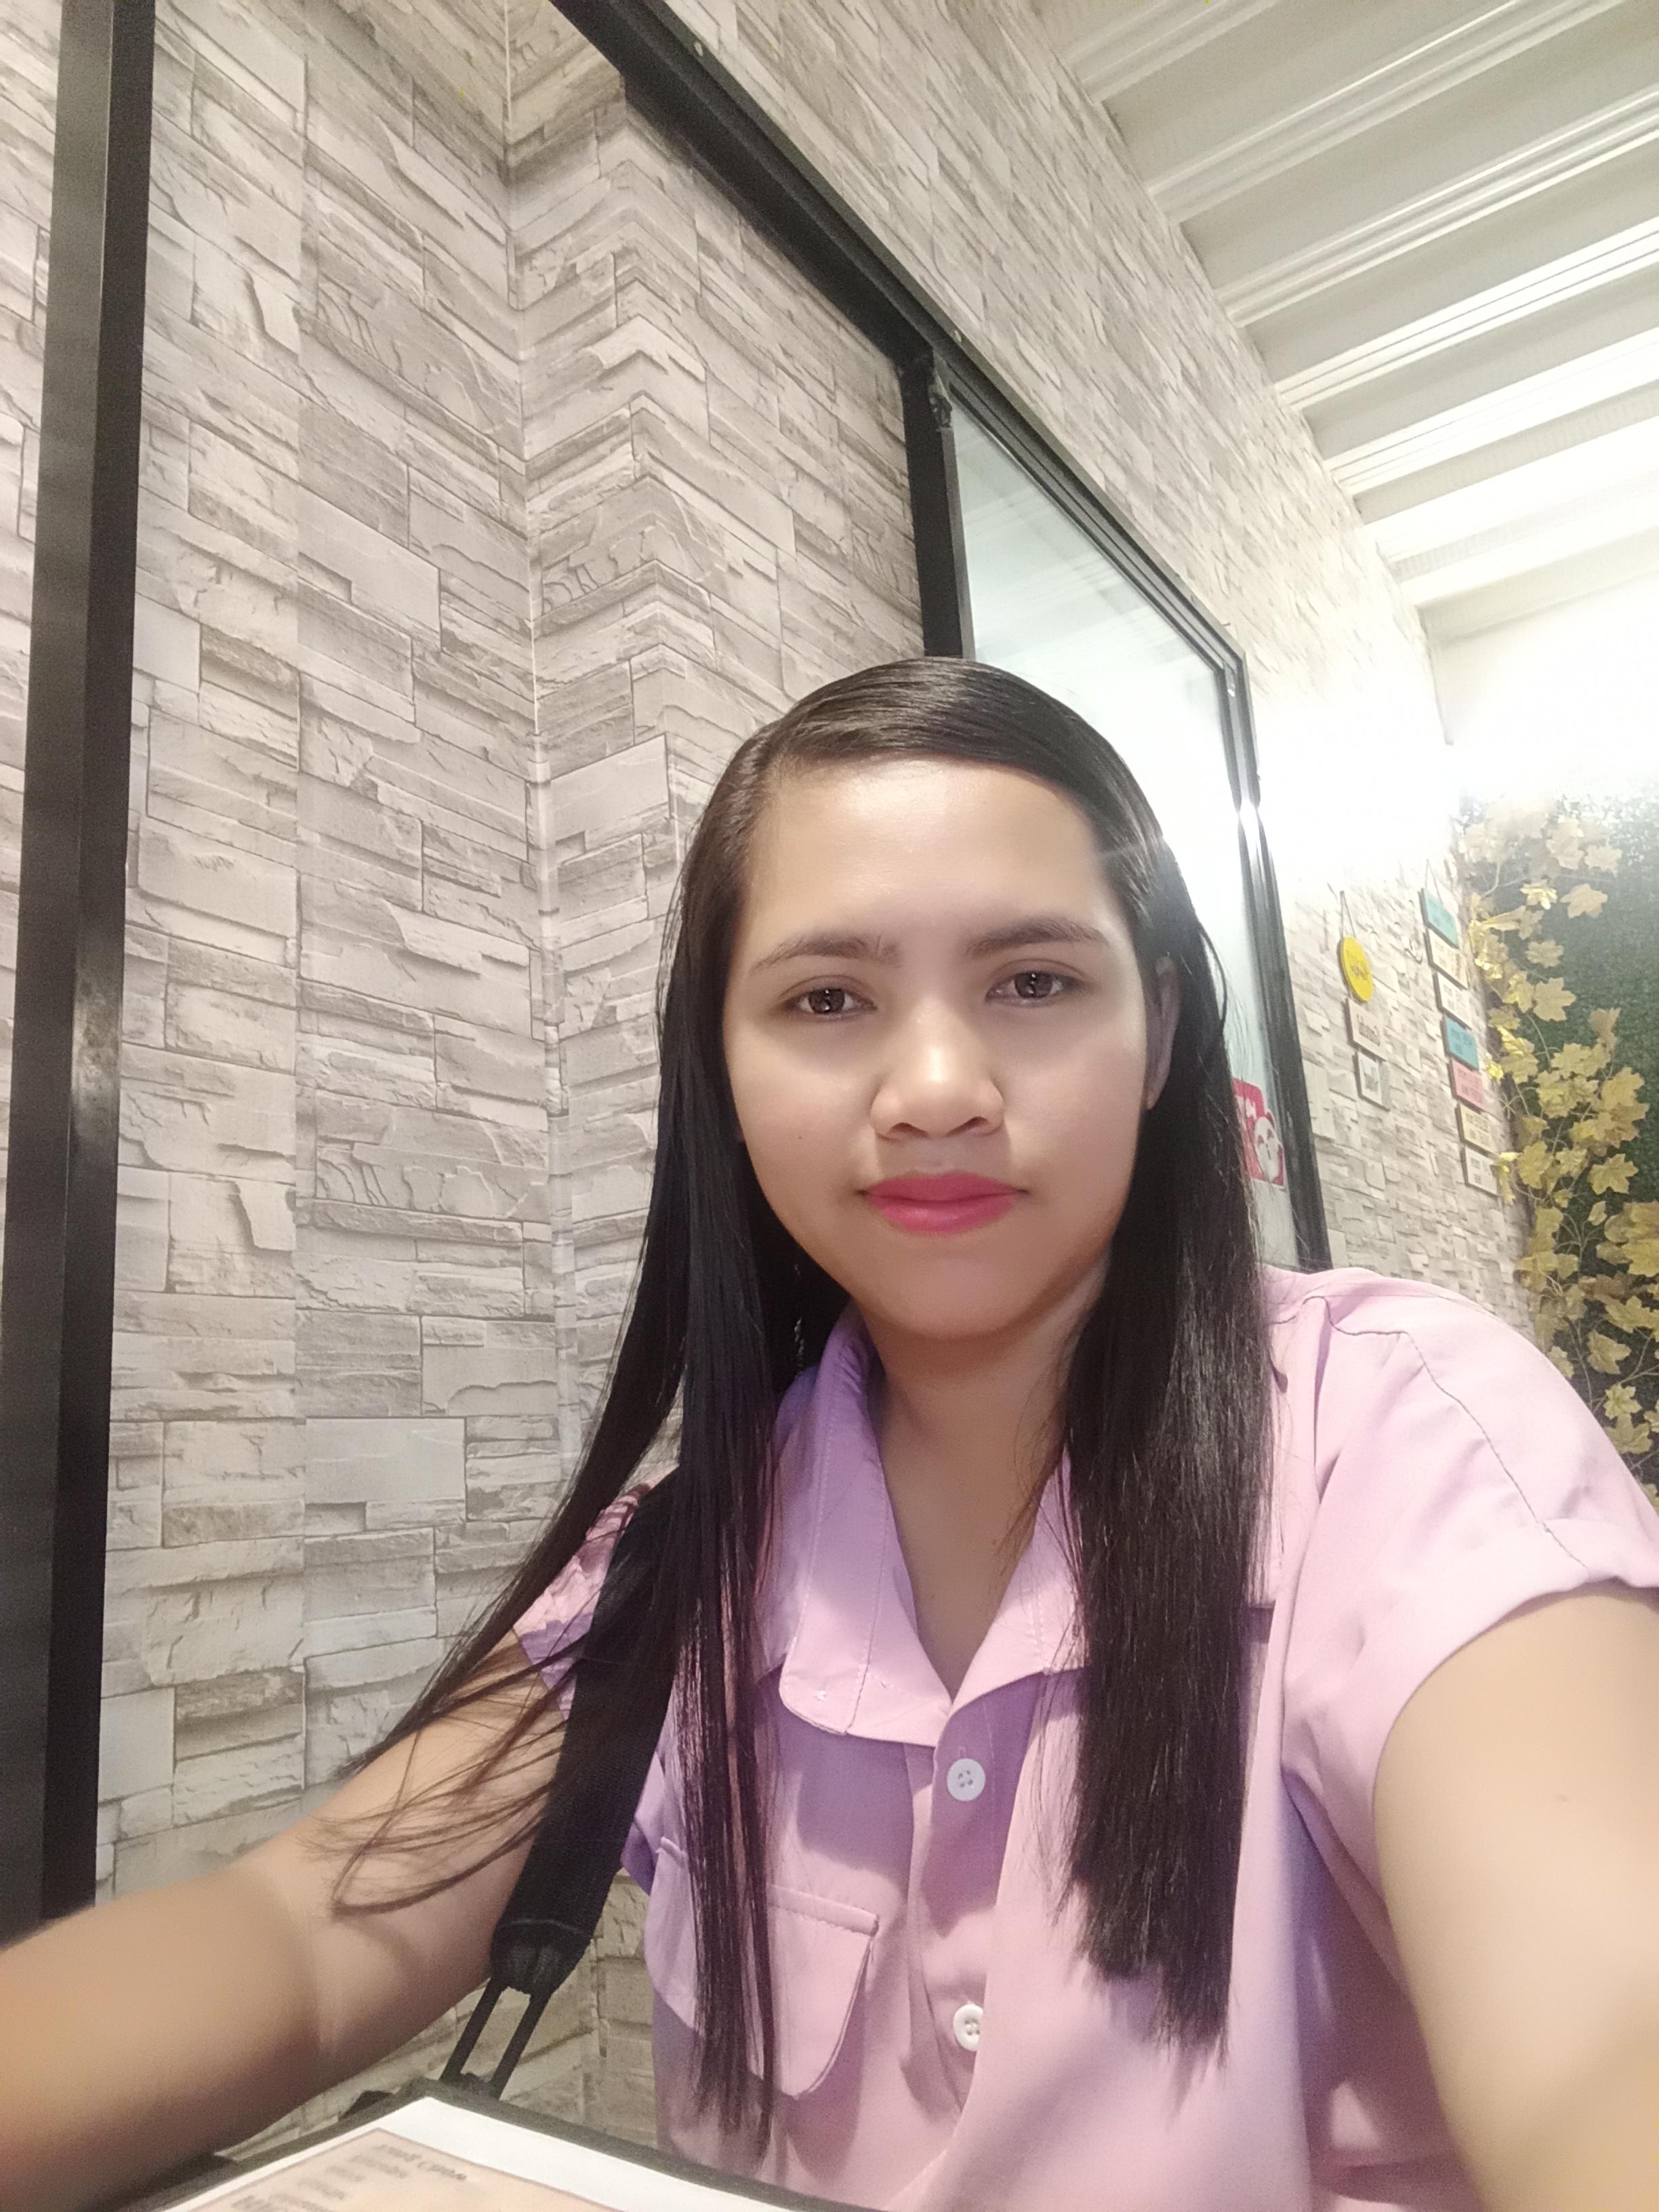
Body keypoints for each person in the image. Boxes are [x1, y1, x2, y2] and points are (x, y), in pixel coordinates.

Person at [3, 657, 1658, 2212]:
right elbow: (300, 1934)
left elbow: (1607, 2038)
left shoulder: (1401, 1439)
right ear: (721, 1070)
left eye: (1032, 982)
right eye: (826, 999)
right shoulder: (680, 1565)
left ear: (1157, 1030)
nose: (935, 1085)